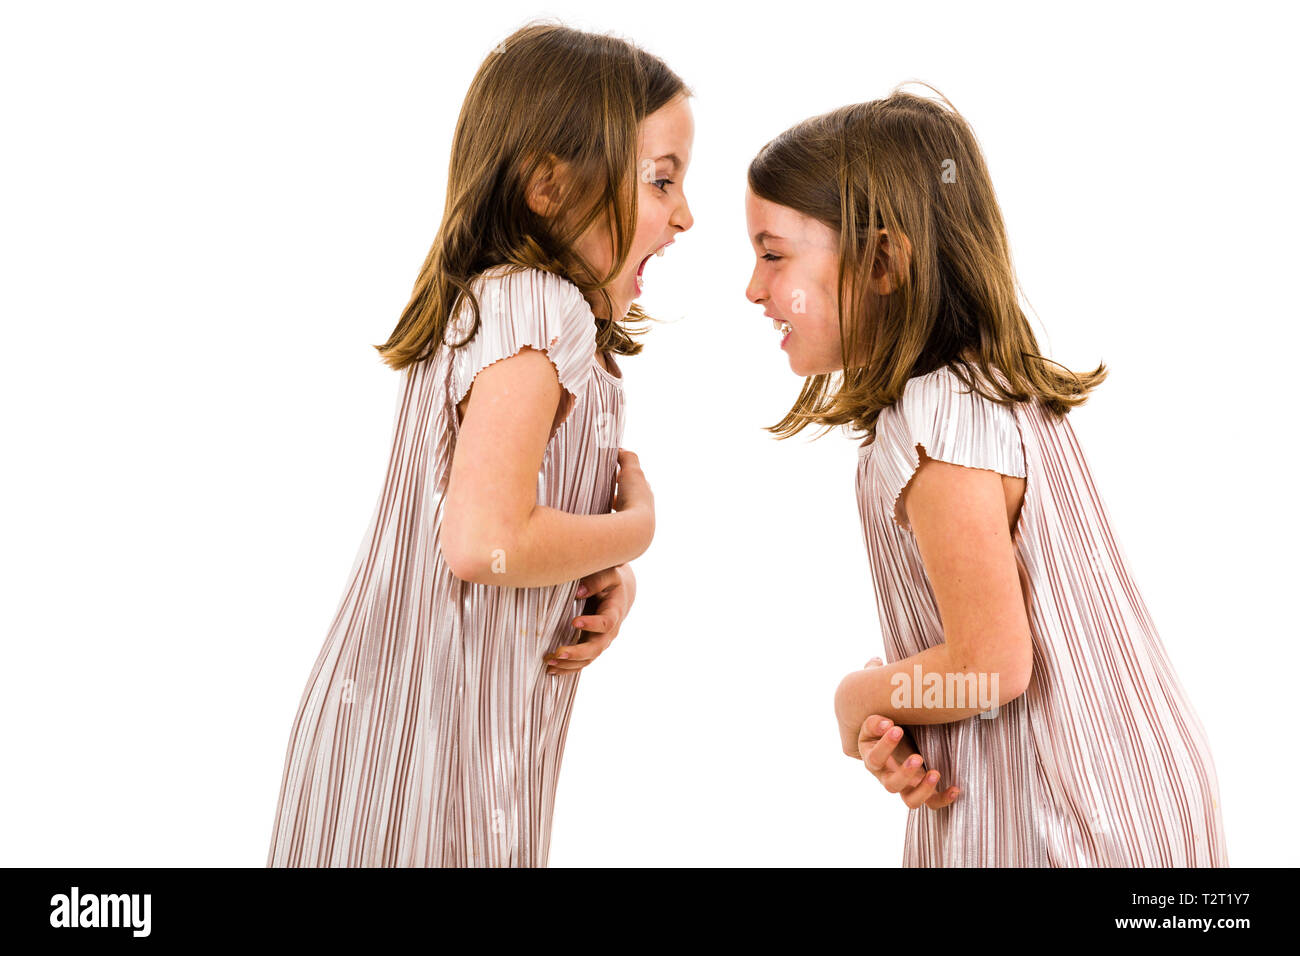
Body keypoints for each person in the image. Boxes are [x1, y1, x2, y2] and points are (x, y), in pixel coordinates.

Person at [745, 83, 1227, 867]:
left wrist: (859, 697)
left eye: (772, 254)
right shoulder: (985, 392)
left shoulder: (941, 423)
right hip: (1117, 797)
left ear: (882, 261)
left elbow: (993, 664)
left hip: (1067, 821)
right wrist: (910, 702)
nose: (755, 288)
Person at [266, 21, 694, 867]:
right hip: (426, 763)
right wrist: (637, 530)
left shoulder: (508, 308)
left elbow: (490, 532)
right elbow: (485, 542)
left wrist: (593, 572)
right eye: (662, 182)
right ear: (547, 186)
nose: (685, 215)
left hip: (407, 747)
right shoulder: (541, 309)